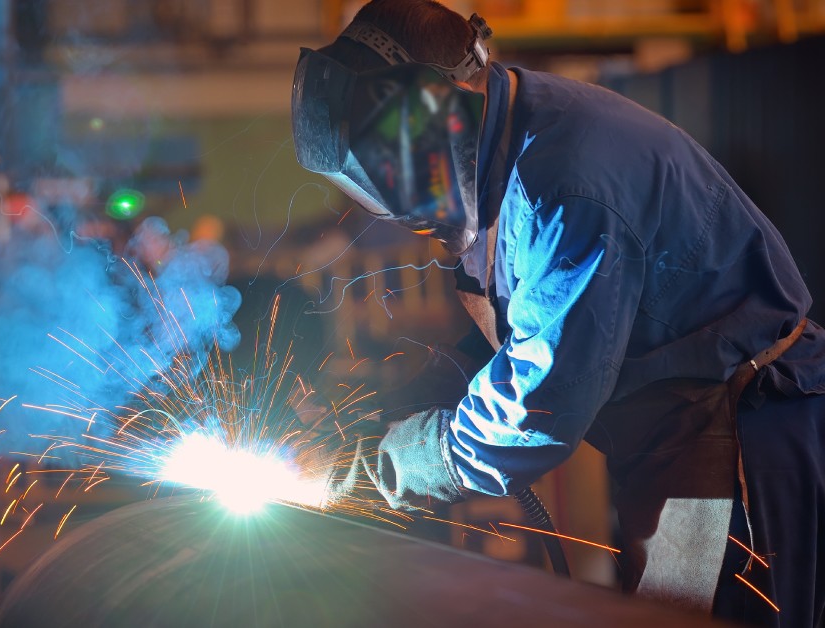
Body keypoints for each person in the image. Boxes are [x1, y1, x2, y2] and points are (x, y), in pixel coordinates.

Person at [291, 1, 825, 625]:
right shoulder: (505, 143)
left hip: (740, 434)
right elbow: (522, 335)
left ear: (452, 95)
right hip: (684, 430)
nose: (391, 197)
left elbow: (538, 405)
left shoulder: (563, 185)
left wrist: (386, 465)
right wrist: (390, 414)